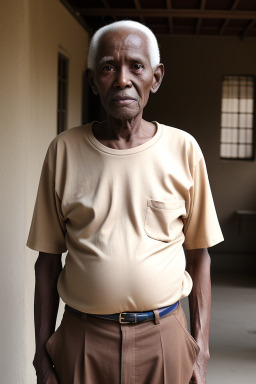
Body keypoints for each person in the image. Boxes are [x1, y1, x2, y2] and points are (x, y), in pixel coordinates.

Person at [27, 20, 223, 384]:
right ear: (92, 80)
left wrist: (201, 349)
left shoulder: (184, 150)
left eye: (136, 65)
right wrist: (41, 356)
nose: (121, 79)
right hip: (83, 339)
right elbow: (47, 262)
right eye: (108, 67)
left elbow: (199, 256)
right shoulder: (63, 152)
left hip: (164, 337)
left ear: (156, 77)